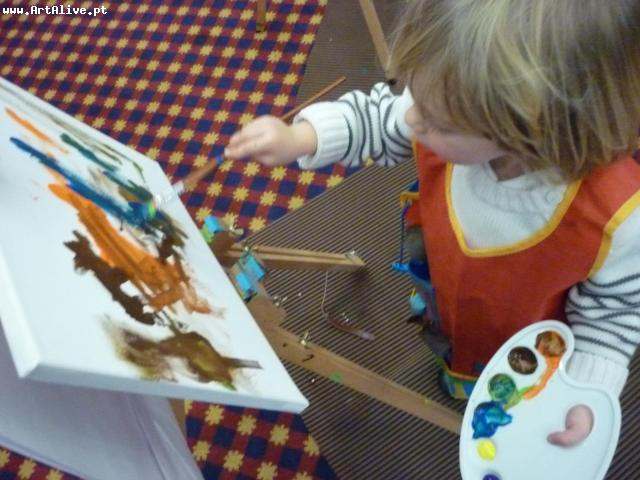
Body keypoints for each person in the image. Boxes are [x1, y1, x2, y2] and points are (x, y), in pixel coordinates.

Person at [225, 0, 640, 449]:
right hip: (444, 289)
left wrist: (585, 393)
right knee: (448, 344)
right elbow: (382, 119)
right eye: (414, 95)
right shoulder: (448, 103)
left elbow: (615, 313)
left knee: (503, 390)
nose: (411, 118)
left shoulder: (618, 219)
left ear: (531, 132)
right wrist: (299, 137)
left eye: (436, 121)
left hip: (528, 346)